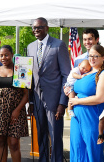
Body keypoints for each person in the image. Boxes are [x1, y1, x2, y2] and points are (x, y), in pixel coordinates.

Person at [27, 17, 71, 162]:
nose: (36, 30)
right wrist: (31, 102)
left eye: (39, 27)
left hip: (54, 101)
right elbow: (30, 77)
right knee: (41, 135)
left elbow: (66, 75)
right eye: (34, 28)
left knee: (55, 136)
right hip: (37, 100)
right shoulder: (30, 47)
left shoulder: (59, 45)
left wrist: (62, 103)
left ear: (47, 28)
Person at [67, 44, 104, 161]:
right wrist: (68, 90)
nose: (92, 59)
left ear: (103, 57)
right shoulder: (86, 72)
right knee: (77, 150)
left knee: (92, 153)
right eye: (90, 56)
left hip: (93, 117)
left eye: (95, 56)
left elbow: (100, 98)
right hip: (77, 116)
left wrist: (77, 101)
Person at [0, 45, 29, 162]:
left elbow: (26, 94)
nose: (4, 58)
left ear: (12, 55)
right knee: (1, 142)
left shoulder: (20, 69)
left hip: (16, 112)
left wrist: (18, 110)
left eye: (6, 55)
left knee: (14, 143)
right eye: (1, 55)